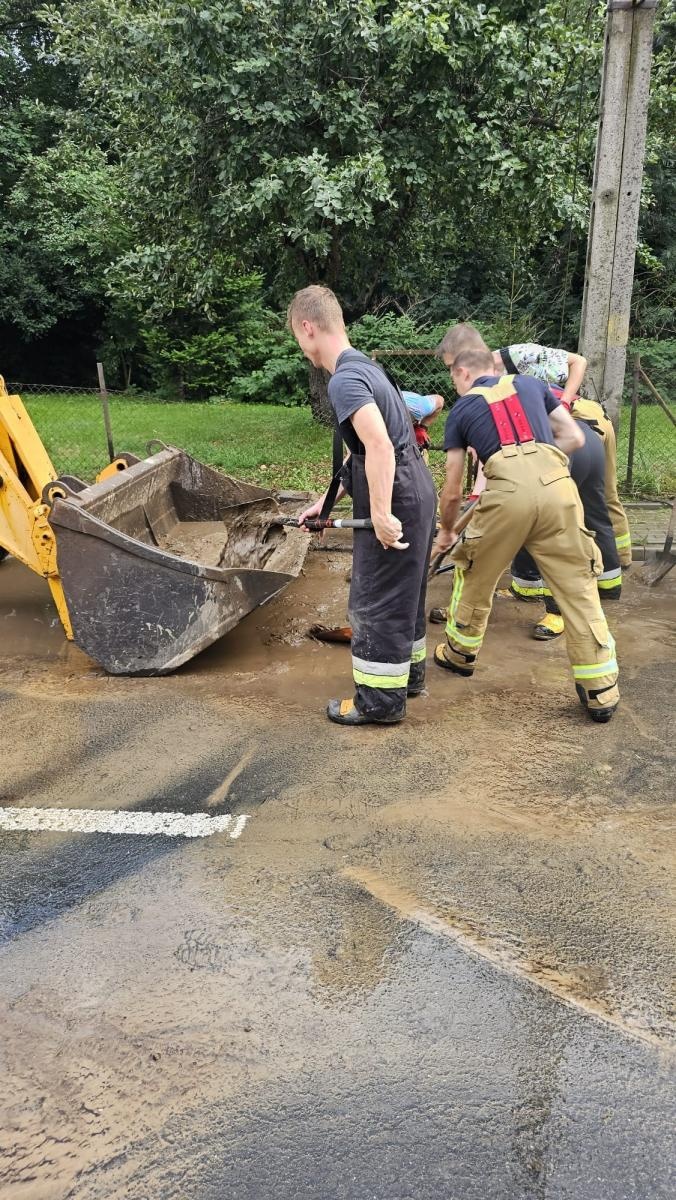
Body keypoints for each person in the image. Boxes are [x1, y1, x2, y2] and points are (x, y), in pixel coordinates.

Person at [432, 346, 620, 723]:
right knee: (578, 585)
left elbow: (453, 490)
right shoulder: (533, 385)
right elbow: (574, 438)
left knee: (474, 573)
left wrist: (448, 530)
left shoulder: (463, 409)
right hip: (558, 487)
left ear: (464, 373)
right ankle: (601, 690)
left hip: (505, 497)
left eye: (454, 378)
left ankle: (460, 654)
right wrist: (539, 466)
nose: (455, 386)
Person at [288, 286, 437, 726]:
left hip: (398, 493)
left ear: (308, 327)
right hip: (416, 489)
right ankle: (407, 677)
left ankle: (379, 702)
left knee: (378, 596)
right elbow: (365, 452)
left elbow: (379, 447)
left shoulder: (344, 379)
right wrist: (326, 502)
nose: (302, 350)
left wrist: (380, 513)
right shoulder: (368, 369)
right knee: (406, 594)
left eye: (299, 339)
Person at [494, 341, 632, 568]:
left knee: (573, 493)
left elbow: (580, 361)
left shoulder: (517, 356)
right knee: (603, 493)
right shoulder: (500, 380)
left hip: (581, 418)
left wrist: (564, 404)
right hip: (587, 419)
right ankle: (617, 561)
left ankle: (598, 560)